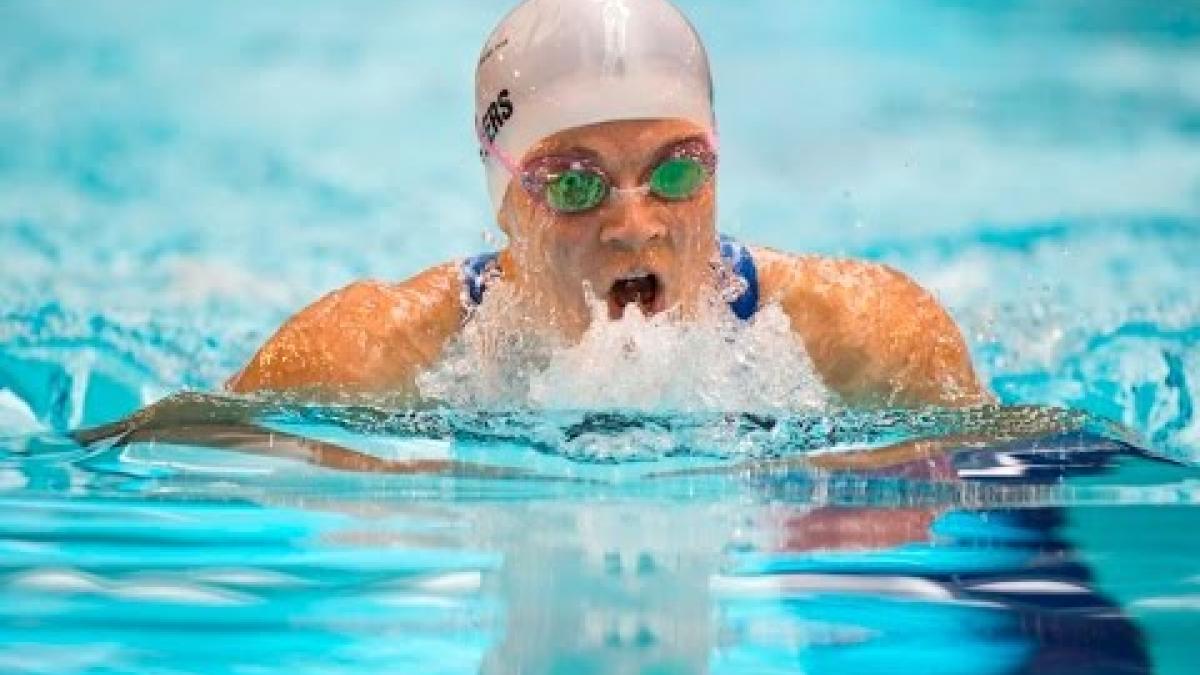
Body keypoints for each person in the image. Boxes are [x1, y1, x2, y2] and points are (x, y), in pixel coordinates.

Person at [225, 0, 990, 410]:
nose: (633, 226)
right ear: (507, 206)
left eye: (677, 175)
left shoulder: (872, 338)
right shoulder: (360, 354)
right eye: (574, 184)